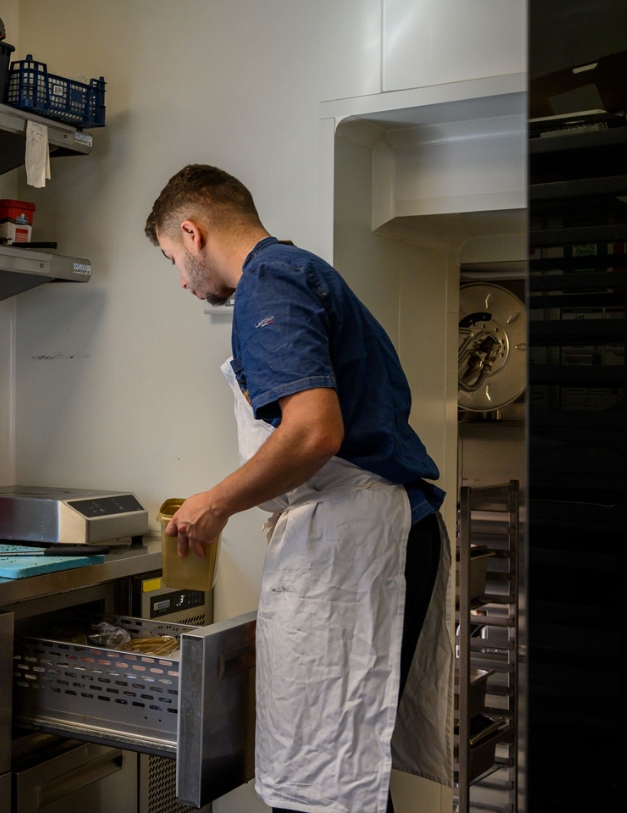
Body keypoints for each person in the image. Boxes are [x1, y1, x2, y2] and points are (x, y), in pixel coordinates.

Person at [144, 165, 453, 813]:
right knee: (345, 775)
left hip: (360, 541)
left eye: (174, 258)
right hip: (377, 532)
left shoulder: (269, 283)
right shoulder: (298, 272)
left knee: (330, 785)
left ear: (193, 233)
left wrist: (216, 500)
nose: (180, 279)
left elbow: (315, 431)